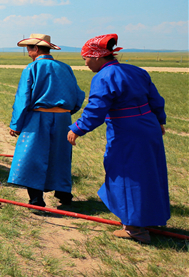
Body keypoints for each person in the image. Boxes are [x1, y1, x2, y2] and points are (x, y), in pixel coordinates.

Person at [67, 34, 169, 244]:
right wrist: (159, 120)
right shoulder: (136, 71)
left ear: (97, 57)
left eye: (85, 58)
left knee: (126, 174)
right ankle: (146, 219)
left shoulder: (104, 77)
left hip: (127, 131)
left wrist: (78, 128)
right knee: (149, 172)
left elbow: (96, 109)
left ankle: (134, 229)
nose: (85, 63)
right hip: (149, 126)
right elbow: (155, 99)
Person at [7, 34, 85, 211]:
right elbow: (78, 94)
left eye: (29, 48)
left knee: (32, 155)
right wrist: (66, 112)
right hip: (64, 118)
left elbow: (23, 98)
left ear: (35, 49)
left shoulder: (32, 68)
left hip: (39, 117)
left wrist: (15, 125)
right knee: (61, 156)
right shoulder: (65, 68)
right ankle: (64, 195)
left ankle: (36, 199)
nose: (27, 52)